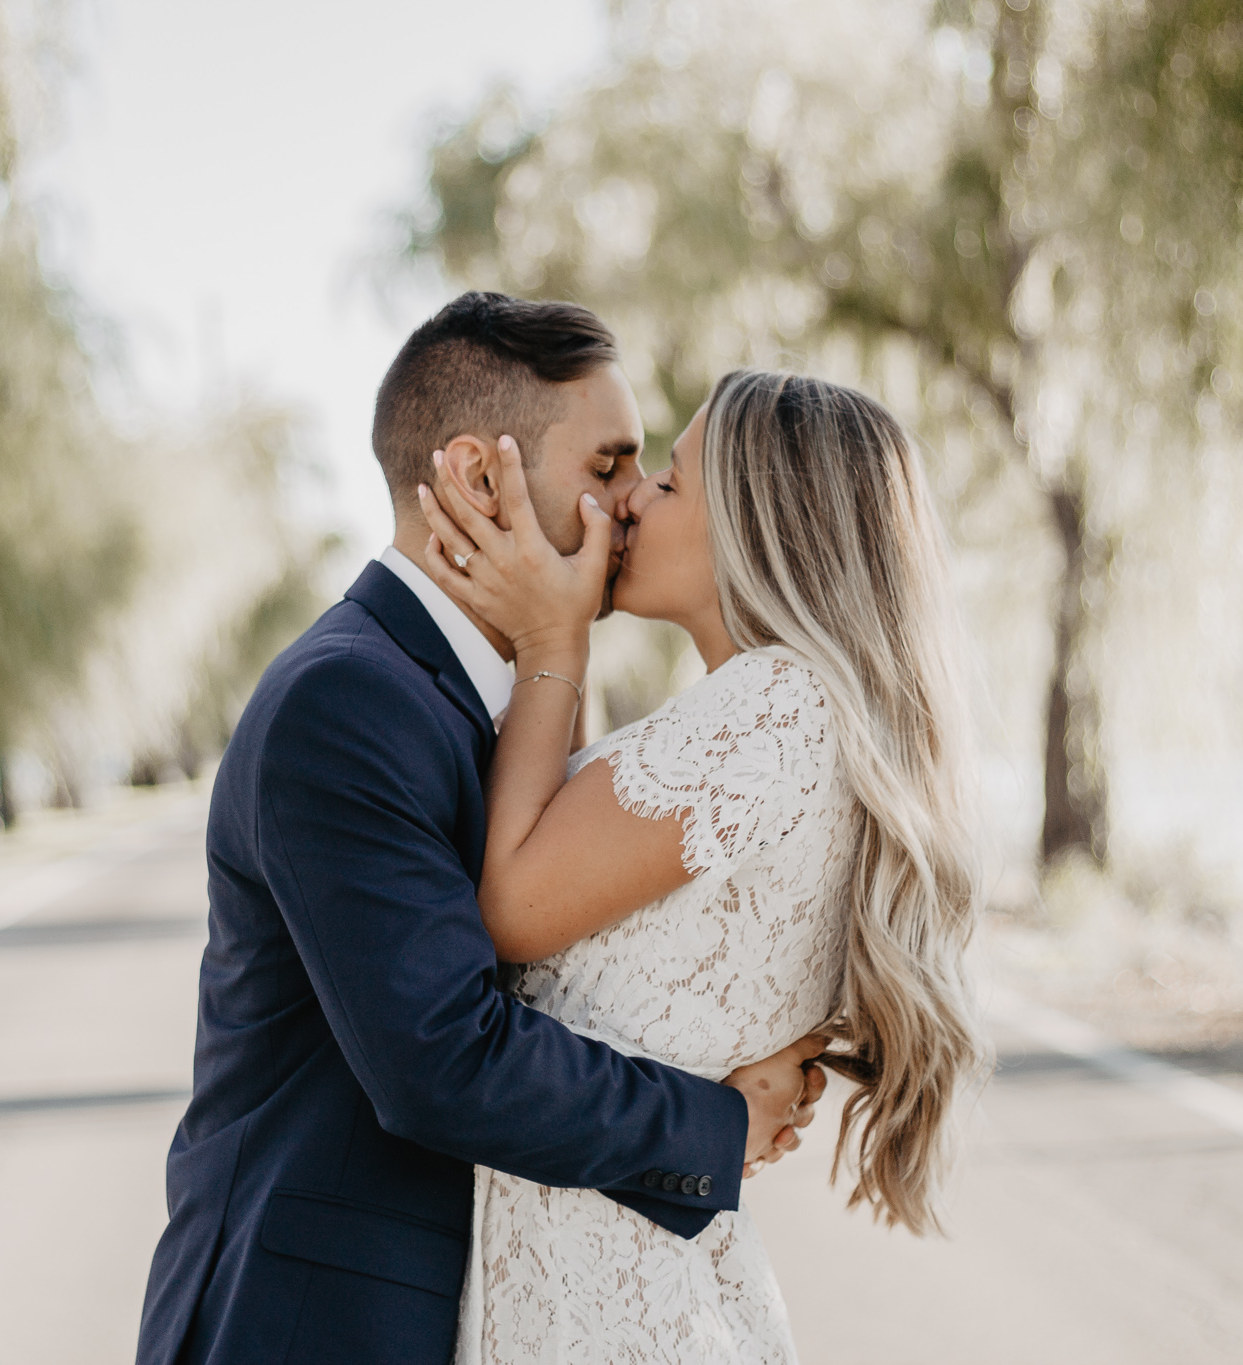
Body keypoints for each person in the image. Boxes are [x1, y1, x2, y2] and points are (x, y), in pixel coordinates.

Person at [135, 295, 828, 1365]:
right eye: (604, 469)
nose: (630, 502)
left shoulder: (477, 698)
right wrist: (716, 1126)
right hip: (315, 1327)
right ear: (474, 479)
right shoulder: (347, 702)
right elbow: (441, 1060)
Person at [417, 368, 990, 1363]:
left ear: (763, 528)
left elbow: (507, 905)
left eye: (670, 484)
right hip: (635, 1289)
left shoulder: (769, 709)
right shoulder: (803, 718)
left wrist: (549, 637)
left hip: (604, 1311)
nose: (629, 498)